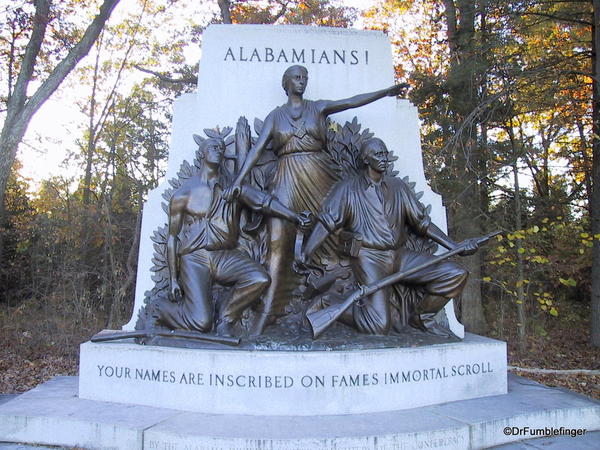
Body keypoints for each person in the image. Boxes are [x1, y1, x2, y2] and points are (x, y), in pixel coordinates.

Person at [224, 65, 407, 334]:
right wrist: (238, 182)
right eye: (297, 78)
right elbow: (257, 151)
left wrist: (386, 91)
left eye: (305, 78)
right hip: (287, 177)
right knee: (278, 244)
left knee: (334, 232)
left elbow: (351, 101)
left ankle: (345, 302)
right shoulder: (275, 117)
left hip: (320, 175)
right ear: (286, 83)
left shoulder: (318, 107)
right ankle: (267, 313)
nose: (302, 82)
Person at [299, 138, 477, 336]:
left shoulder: (398, 187)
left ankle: (421, 318)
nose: (384, 159)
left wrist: (454, 246)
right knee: (378, 326)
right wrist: (306, 253)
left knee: (454, 273)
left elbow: (422, 223)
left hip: (400, 256)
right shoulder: (348, 189)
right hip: (370, 259)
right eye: (378, 155)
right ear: (366, 159)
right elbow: (326, 223)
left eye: (385, 154)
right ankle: (329, 301)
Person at [160, 135, 311, 337]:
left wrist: (294, 217)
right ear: (202, 153)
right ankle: (159, 310)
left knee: (258, 278)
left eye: (222, 147)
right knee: (201, 323)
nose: (219, 150)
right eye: (213, 146)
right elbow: (172, 238)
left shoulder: (233, 186)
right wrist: (173, 279)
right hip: (195, 257)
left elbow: (263, 201)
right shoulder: (183, 194)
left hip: (224, 255)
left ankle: (226, 319)